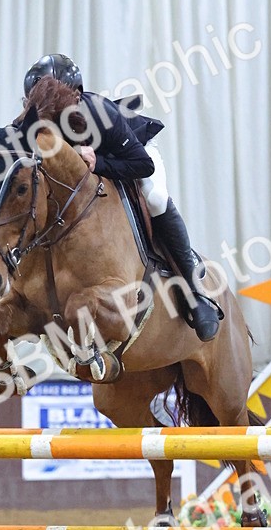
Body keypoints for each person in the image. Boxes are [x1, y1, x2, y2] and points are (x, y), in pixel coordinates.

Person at [21, 54, 221, 341]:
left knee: (155, 197)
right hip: (91, 167)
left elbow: (143, 165)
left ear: (74, 95)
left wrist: (97, 163)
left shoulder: (101, 114)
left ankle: (194, 292)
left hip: (132, 153)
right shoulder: (37, 121)